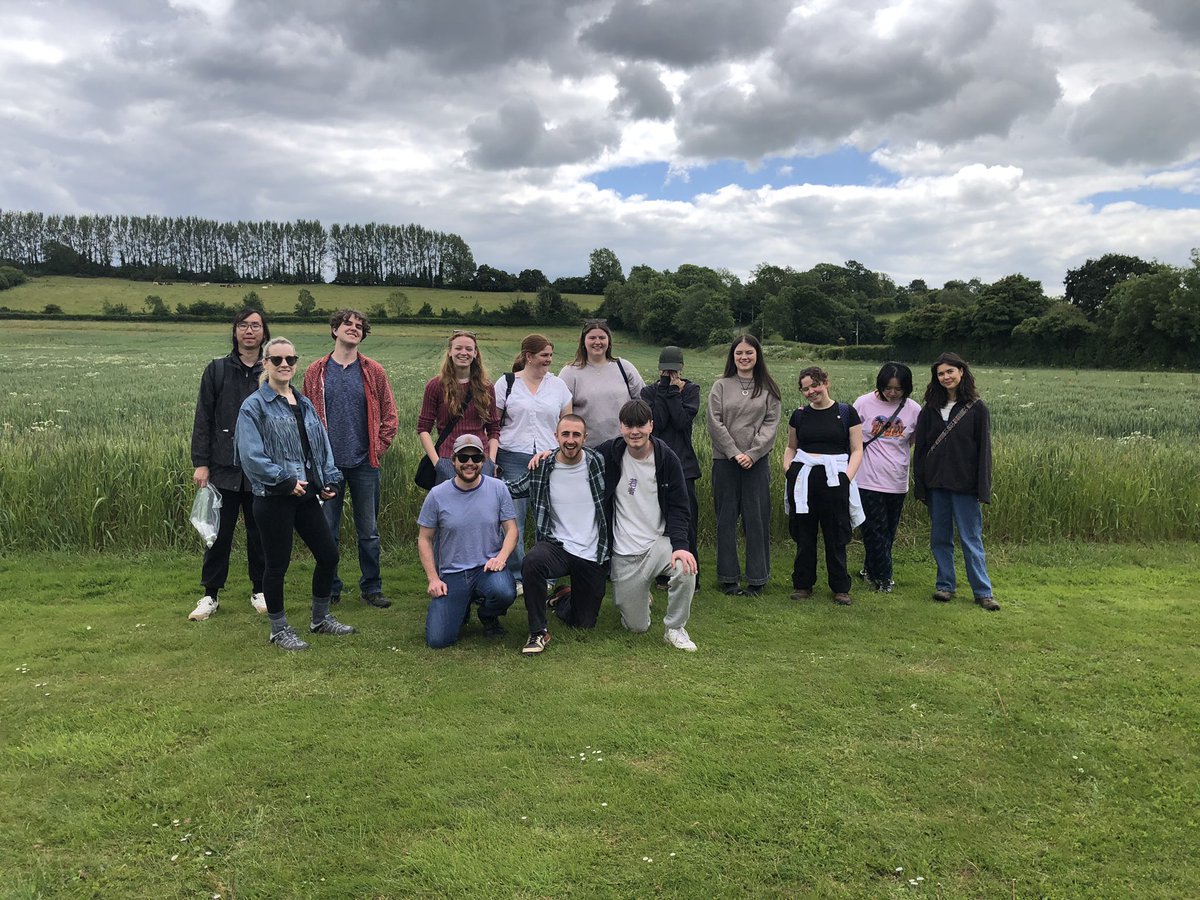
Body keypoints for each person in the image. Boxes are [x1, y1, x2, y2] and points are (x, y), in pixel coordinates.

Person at [235, 338, 353, 651]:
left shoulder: (304, 403)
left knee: (328, 555)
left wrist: (328, 479)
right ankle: (279, 630)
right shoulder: (254, 407)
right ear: (266, 364)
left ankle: (319, 619)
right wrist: (285, 480)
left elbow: (320, 444)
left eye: (290, 359)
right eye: (277, 360)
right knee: (276, 565)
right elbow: (251, 456)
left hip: (305, 494)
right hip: (273, 497)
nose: (285, 364)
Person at [302, 309, 399, 609]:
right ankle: (330, 588)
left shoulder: (374, 371)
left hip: (364, 465)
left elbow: (390, 417)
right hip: (327, 468)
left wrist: (376, 450)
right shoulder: (315, 372)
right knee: (327, 531)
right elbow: (305, 420)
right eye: (348, 324)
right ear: (334, 330)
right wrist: (315, 460)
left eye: (359, 327)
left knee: (368, 531)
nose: (354, 329)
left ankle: (371, 587)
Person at [188, 307, 270, 621]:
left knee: (260, 533)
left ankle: (260, 590)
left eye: (255, 326)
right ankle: (210, 594)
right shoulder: (217, 370)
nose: (249, 331)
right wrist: (201, 463)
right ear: (235, 331)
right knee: (217, 535)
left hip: (261, 469)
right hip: (222, 468)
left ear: (264, 333)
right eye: (243, 325)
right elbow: (203, 419)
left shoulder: (272, 369)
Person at [598, 400, 699, 651]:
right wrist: (550, 454)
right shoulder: (609, 453)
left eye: (641, 425)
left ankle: (675, 629)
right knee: (636, 627)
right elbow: (576, 454)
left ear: (651, 426)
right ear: (620, 427)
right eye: (629, 425)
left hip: (658, 545)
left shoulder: (667, 459)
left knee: (686, 566)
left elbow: (679, 508)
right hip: (624, 554)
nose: (635, 431)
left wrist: (681, 546)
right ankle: (641, 595)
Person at [506, 414, 608, 656]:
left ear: (585, 437)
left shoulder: (599, 463)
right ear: (556, 437)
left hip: (592, 551)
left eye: (576, 435)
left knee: (583, 623)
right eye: (565, 434)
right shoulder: (542, 466)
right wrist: (476, 480)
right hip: (557, 547)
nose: (570, 440)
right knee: (532, 561)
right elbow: (514, 489)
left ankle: (562, 597)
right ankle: (538, 631)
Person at [913, 352, 998, 611]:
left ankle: (983, 592)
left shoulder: (977, 408)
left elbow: (984, 450)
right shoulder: (930, 409)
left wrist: (982, 488)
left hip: (965, 486)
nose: (946, 377)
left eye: (950, 371)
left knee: (971, 539)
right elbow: (921, 449)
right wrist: (921, 484)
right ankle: (945, 586)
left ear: (962, 372)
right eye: (940, 373)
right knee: (940, 538)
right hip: (936, 484)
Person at [417, 435, 518, 648]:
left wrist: (501, 558)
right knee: (438, 640)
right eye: (463, 457)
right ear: (453, 461)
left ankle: (487, 613)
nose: (469, 463)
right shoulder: (437, 495)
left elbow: (512, 530)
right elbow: (425, 539)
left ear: (483, 461)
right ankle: (459, 608)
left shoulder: (499, 489)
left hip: (487, 569)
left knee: (504, 592)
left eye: (475, 457)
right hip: (453, 573)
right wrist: (433, 579)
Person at [494, 334, 573, 593]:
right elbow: (493, 426)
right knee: (512, 521)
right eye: (544, 355)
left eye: (551, 355)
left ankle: (546, 575)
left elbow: (568, 424)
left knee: (548, 522)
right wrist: (492, 460)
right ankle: (517, 576)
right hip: (512, 458)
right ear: (528, 356)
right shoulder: (506, 384)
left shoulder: (559, 386)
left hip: (550, 461)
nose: (549, 360)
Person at [706, 335, 782, 596]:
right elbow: (714, 423)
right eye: (739, 353)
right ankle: (728, 578)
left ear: (757, 355)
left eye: (749, 353)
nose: (744, 357)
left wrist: (753, 453)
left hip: (756, 464)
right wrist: (734, 452)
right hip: (725, 461)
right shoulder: (721, 386)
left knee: (756, 519)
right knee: (725, 519)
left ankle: (757, 578)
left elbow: (771, 425)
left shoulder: (769, 389)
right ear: (733, 356)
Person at [784, 366, 864, 605]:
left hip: (835, 477)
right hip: (804, 478)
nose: (811, 392)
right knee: (804, 533)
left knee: (836, 533)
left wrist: (846, 479)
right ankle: (802, 584)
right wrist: (788, 470)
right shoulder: (799, 415)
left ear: (826, 383)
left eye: (815, 385)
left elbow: (857, 449)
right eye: (805, 388)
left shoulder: (846, 412)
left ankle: (840, 587)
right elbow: (791, 447)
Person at [853, 362, 922, 593]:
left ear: (907, 388)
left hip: (897, 479)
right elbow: (852, 438)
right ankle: (884, 578)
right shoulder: (863, 403)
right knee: (874, 529)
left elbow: (911, 442)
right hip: (867, 478)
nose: (892, 393)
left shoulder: (914, 409)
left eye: (898, 389)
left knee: (888, 531)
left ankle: (869, 569)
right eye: (888, 388)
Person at [640, 346, 702, 580]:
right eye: (666, 371)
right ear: (659, 369)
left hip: (684, 466)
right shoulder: (648, 392)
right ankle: (662, 574)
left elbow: (680, 421)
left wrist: (674, 392)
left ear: (682, 368)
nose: (670, 375)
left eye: (674, 371)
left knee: (686, 522)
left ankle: (690, 574)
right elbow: (659, 421)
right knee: (656, 522)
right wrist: (664, 391)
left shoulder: (692, 390)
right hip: (655, 464)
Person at [417, 330, 500, 484]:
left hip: (480, 460)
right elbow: (423, 428)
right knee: (449, 507)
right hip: (448, 460)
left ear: (475, 353)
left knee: (481, 507)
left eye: (469, 349)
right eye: (458, 348)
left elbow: (494, 428)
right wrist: (438, 463)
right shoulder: (435, 386)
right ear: (450, 352)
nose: (464, 353)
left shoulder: (486, 387)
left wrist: (491, 461)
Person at [559, 319, 644, 448]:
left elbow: (643, 403)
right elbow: (562, 414)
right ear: (583, 341)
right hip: (586, 449)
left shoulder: (624, 368)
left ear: (608, 341)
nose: (597, 342)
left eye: (602, 338)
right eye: (592, 338)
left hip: (623, 446)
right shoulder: (570, 372)